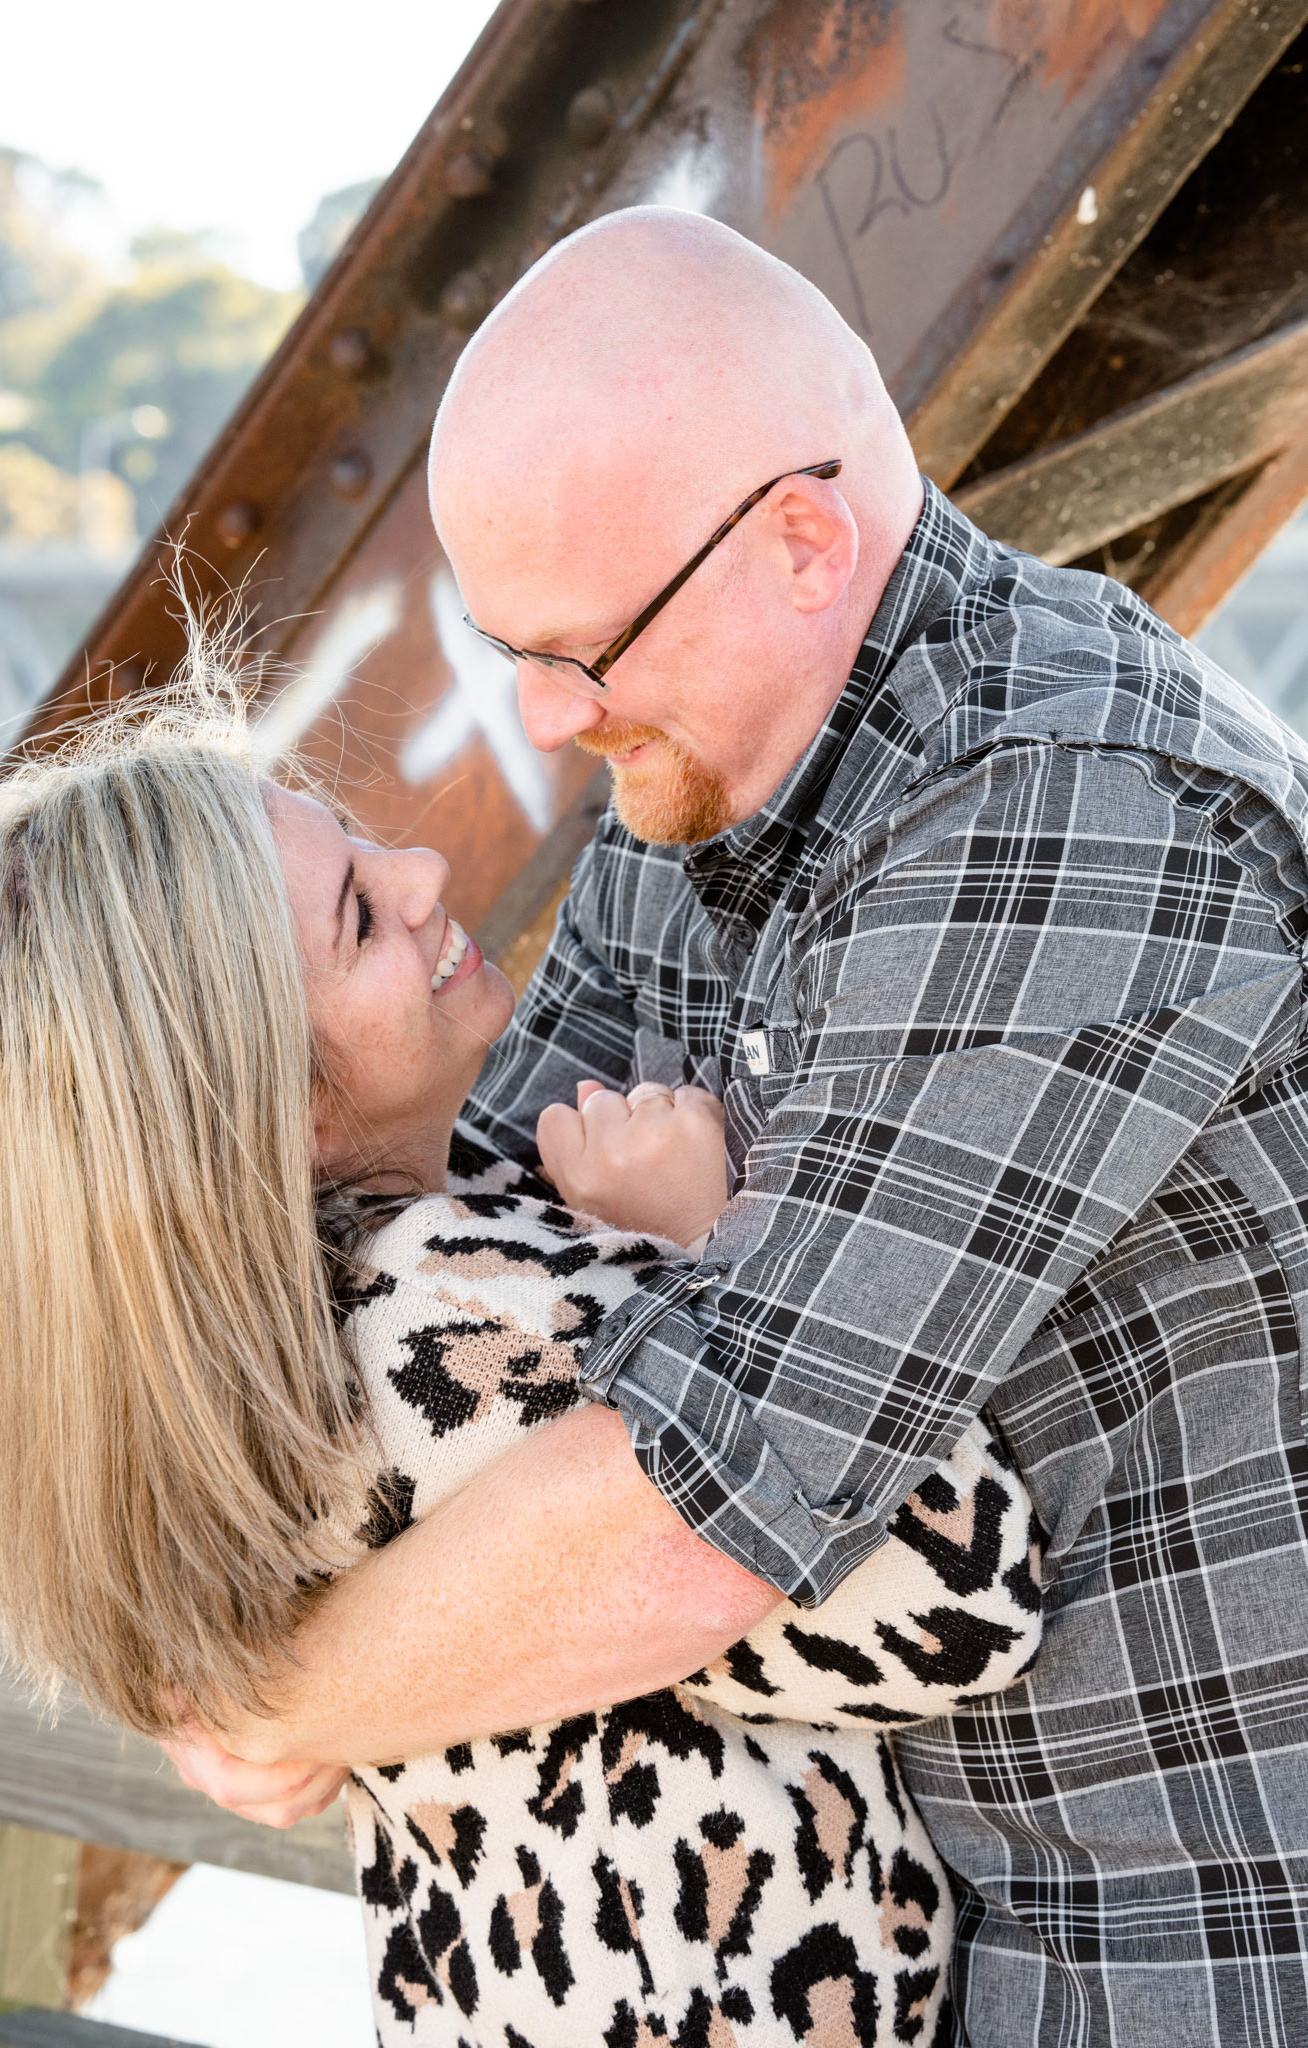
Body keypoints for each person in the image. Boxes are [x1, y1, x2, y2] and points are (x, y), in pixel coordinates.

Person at [168, 208, 1308, 2046]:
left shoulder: (1066, 806)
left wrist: (279, 1696)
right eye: (509, 647)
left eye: (583, 650)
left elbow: (704, 1510)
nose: (544, 719)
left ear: (799, 540)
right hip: (968, 1926)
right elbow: (486, 1219)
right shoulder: (700, 779)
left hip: (1196, 1930)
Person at [0, 682, 1044, 2046]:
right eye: (358, 917)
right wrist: (710, 1241)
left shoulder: (269, 1354)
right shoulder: (453, 1317)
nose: (418, 871)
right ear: (271, 1103)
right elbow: (964, 1597)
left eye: (356, 837)